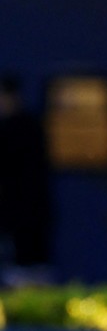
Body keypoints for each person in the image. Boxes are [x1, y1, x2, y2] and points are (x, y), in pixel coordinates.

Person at [0, 73, 54, 286]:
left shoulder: (23, 128)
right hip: (20, 214)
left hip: (24, 214)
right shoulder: (18, 126)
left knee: (28, 270)